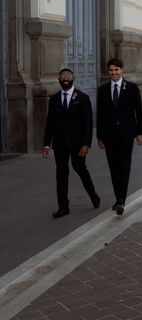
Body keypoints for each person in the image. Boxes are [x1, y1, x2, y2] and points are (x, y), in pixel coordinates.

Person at [43, 68, 100, 218]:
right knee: (61, 173)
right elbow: (50, 123)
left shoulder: (83, 98)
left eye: (68, 75)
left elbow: (88, 123)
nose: (65, 78)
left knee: (80, 168)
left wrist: (86, 144)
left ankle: (93, 195)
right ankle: (63, 206)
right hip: (60, 143)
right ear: (58, 79)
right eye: (62, 76)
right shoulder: (54, 99)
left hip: (78, 143)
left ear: (73, 78)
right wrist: (46, 144)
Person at [96, 58, 142, 216]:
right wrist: (100, 136)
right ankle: (118, 198)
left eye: (116, 70)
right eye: (111, 70)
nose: (113, 73)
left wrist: (140, 132)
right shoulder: (102, 90)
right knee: (113, 167)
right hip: (109, 135)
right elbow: (101, 114)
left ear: (122, 70)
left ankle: (121, 201)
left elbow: (139, 111)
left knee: (124, 166)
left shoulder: (131, 88)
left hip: (126, 134)